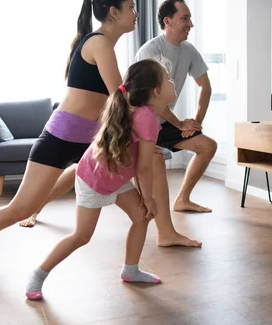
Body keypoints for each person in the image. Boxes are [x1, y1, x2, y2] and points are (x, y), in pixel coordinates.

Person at [0, 0, 141, 269]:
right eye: (131, 8)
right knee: (19, 208)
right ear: (114, 12)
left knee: (128, 201)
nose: (136, 14)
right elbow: (119, 96)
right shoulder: (98, 43)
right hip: (60, 137)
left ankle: (142, 255)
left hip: (91, 140)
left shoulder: (103, 44)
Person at [25, 59, 175, 300]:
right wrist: (150, 199)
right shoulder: (146, 117)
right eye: (168, 79)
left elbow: (140, 163)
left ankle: (131, 270)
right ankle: (38, 274)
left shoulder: (142, 112)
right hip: (94, 180)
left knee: (141, 217)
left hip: (115, 176)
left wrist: (147, 202)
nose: (172, 82)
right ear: (155, 91)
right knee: (81, 236)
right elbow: (145, 169)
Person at [134, 0, 217, 214]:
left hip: (164, 121)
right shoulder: (151, 51)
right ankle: (35, 207)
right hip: (138, 124)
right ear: (167, 21)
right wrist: (179, 123)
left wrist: (195, 123)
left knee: (207, 146)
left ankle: (182, 199)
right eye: (185, 18)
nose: (190, 24)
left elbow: (205, 88)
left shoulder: (188, 50)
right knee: (90, 169)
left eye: (190, 18)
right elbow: (151, 100)